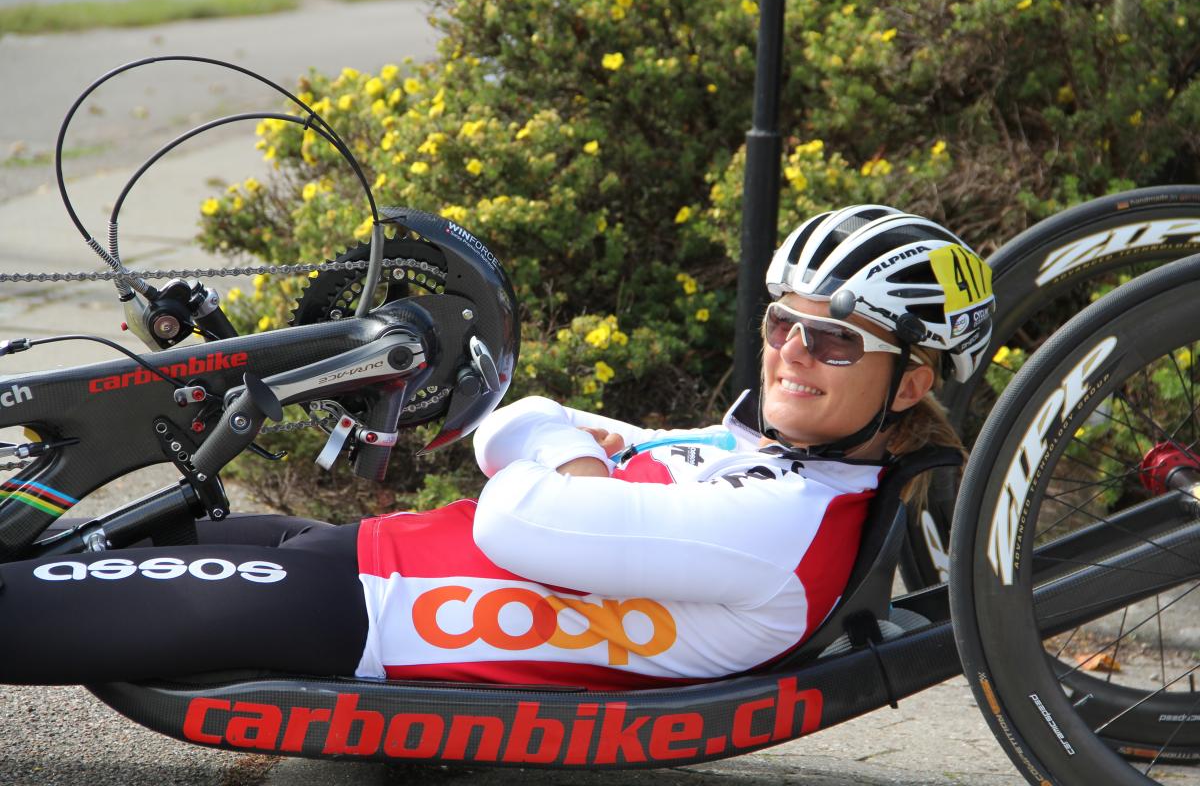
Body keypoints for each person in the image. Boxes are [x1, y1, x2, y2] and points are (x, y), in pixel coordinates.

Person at [0, 205, 993, 689]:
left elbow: (526, 513)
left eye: (832, 340)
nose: (789, 352)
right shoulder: (764, 456)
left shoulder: (782, 523)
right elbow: (521, 422)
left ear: (910, 381)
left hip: (356, 617)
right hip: (346, 560)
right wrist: (573, 452)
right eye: (783, 321)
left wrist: (574, 457)